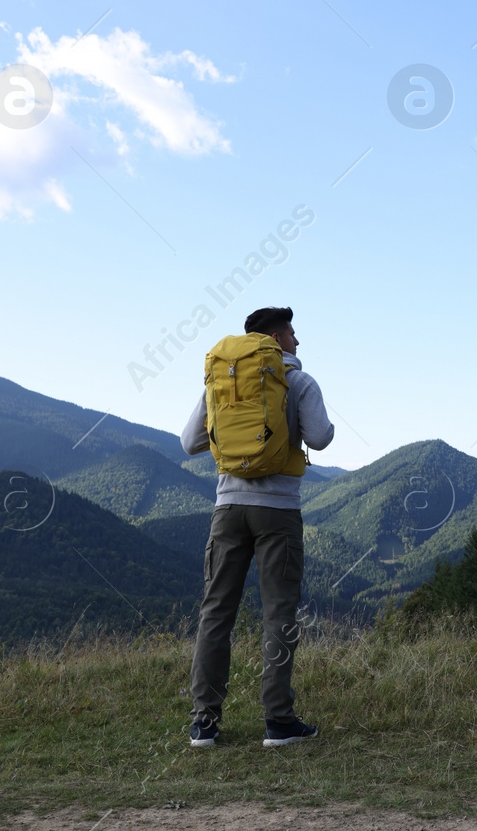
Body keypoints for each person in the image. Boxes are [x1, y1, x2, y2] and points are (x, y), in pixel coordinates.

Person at [180, 306, 334, 748]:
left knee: (216, 613)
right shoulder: (298, 381)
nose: (297, 342)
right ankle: (278, 721)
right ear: (274, 337)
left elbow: (189, 442)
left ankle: (204, 723)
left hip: (227, 508)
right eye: (291, 333)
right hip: (278, 512)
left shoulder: (221, 381)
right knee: (279, 615)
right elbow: (320, 437)